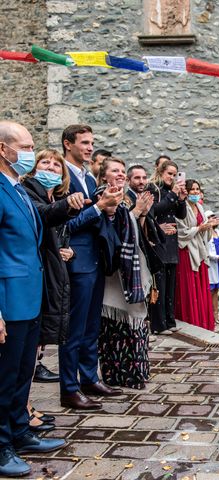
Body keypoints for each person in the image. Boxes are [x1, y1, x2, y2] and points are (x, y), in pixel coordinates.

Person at [0, 121, 66, 478]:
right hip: (8, 300)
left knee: (24, 371)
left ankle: (19, 431)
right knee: (5, 375)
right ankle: (1, 446)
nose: (30, 152)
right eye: (25, 147)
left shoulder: (19, 188)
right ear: (3, 150)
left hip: (30, 297)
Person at [59, 124, 123, 410]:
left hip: (95, 259)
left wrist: (108, 210)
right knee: (75, 327)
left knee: (91, 325)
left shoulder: (86, 176)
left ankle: (88, 377)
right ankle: (69, 388)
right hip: (77, 260)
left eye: (91, 143)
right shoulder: (63, 178)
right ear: (67, 144)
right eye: (84, 142)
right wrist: (98, 208)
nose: (89, 147)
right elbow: (65, 224)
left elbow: (94, 217)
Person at [22, 149, 85, 432]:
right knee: (24, 353)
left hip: (51, 274)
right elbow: (43, 215)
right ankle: (21, 409)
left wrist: (65, 249)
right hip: (35, 276)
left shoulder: (53, 196)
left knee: (34, 347)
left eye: (55, 164)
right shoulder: (28, 192)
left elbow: (56, 231)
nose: (50, 167)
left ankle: (24, 406)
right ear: (34, 169)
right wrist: (69, 207)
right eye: (44, 162)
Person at [96, 157, 154, 389]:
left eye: (122, 170)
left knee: (134, 325)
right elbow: (109, 232)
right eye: (115, 171)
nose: (120, 174)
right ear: (103, 176)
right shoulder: (102, 196)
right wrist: (135, 212)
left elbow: (134, 235)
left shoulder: (124, 199)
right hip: (115, 275)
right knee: (115, 327)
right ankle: (119, 374)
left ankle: (135, 373)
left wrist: (139, 214)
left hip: (131, 272)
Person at [149, 160, 187, 335]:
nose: (172, 177)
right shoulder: (153, 189)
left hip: (171, 243)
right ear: (161, 172)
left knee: (171, 285)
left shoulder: (171, 191)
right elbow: (154, 210)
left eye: (174, 174)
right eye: (169, 174)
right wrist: (172, 194)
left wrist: (181, 199)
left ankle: (170, 321)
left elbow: (181, 214)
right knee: (160, 284)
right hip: (158, 242)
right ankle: (158, 324)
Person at [174, 179, 216, 330]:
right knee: (189, 288)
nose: (195, 192)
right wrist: (199, 228)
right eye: (192, 189)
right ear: (185, 191)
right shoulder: (181, 208)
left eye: (197, 189)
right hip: (186, 251)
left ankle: (203, 322)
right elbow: (181, 231)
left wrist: (208, 227)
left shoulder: (200, 206)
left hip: (200, 250)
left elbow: (205, 233)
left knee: (201, 289)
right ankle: (190, 321)